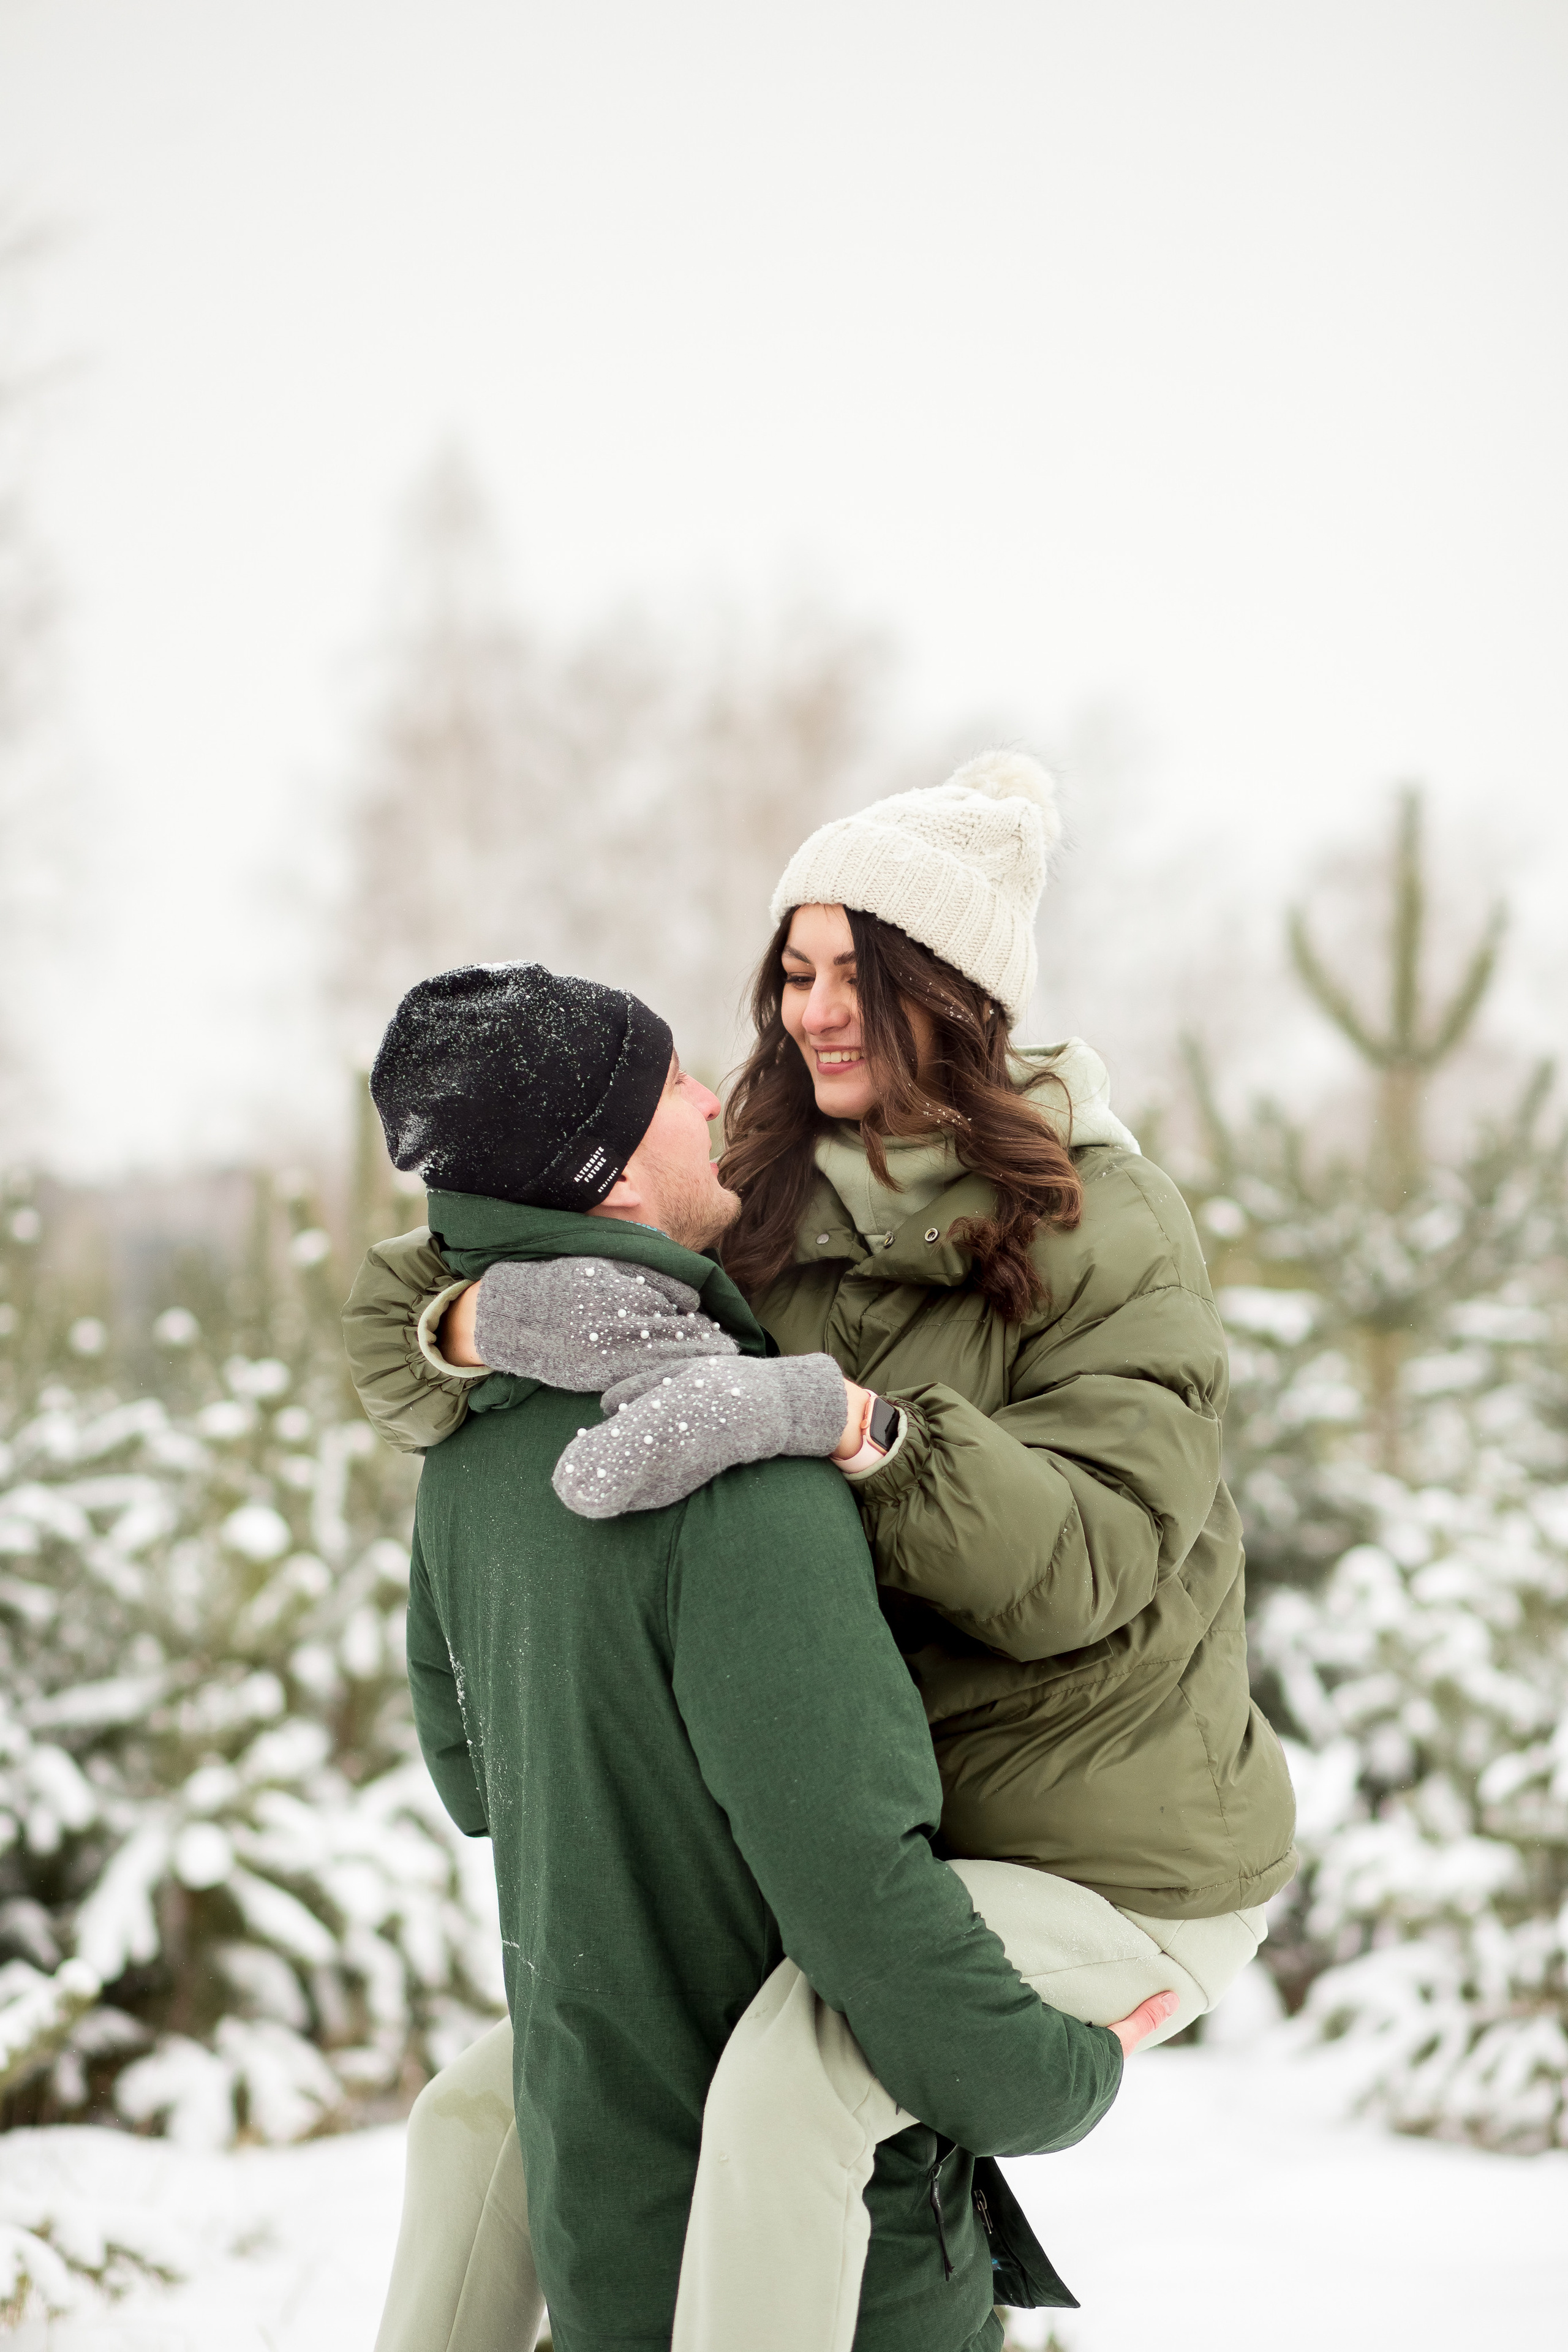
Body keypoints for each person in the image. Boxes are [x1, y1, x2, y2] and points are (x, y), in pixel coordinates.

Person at [349, 751, 1297, 2350]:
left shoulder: (1104, 1225)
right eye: (794, 971)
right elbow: (463, 1245)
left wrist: (862, 1430)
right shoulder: (764, 1185)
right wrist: (474, 1314)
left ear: (961, 997)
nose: (812, 1013)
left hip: (1102, 1857)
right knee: (499, 2096)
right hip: (862, 1843)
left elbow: (1097, 1558)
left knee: (794, 2081)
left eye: (862, 975)